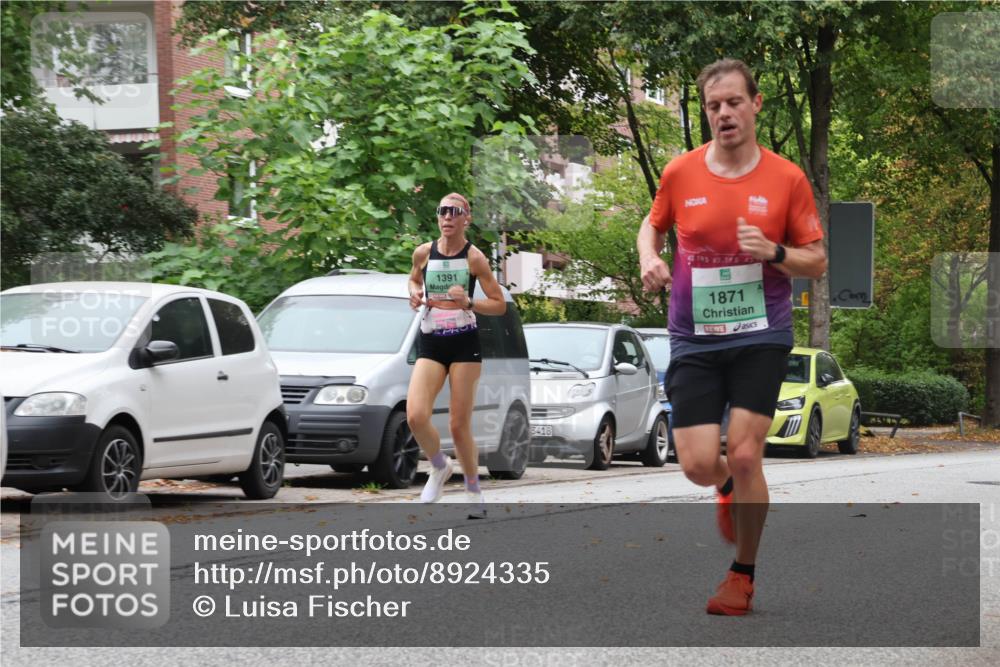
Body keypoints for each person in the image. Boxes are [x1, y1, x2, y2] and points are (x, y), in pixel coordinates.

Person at [636, 59, 828, 615]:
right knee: (697, 464)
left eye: (734, 102)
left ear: (756, 104)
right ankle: (722, 487)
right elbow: (654, 222)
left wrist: (773, 252)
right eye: (714, 105)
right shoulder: (680, 173)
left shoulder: (786, 178)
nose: (724, 113)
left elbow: (815, 261)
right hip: (694, 337)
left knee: (745, 453)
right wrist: (650, 256)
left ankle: (741, 575)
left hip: (761, 333)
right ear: (707, 112)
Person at [406, 193, 506, 516]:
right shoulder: (424, 253)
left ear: (467, 218)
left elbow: (499, 304)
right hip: (432, 340)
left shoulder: (474, 258)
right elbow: (411, 279)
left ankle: (474, 491)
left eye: (455, 212)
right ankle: (439, 465)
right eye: (442, 211)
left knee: (458, 425)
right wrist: (414, 293)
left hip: (464, 341)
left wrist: (469, 303)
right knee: (416, 416)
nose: (447, 217)